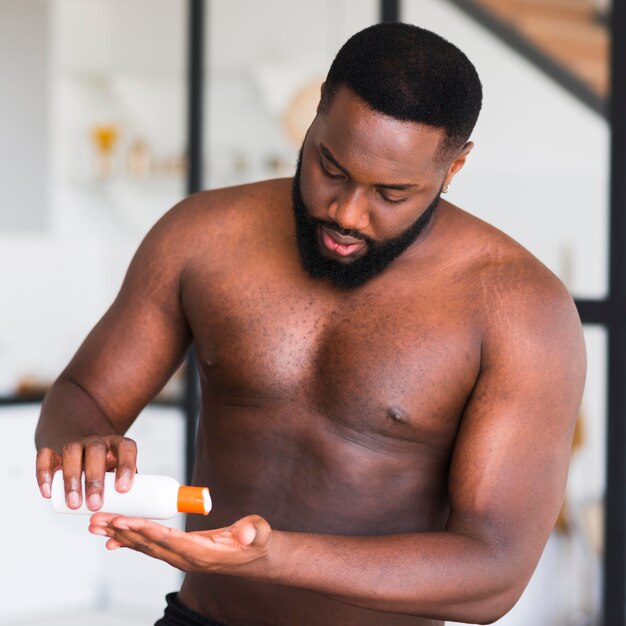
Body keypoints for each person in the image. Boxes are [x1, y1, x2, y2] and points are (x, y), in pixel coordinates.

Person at [35, 22, 586, 626]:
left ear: (454, 167)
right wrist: (83, 442)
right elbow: (82, 394)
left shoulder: (519, 306)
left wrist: (270, 555)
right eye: (332, 167)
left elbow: (492, 573)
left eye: (392, 193)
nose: (347, 213)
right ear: (317, 109)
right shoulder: (200, 235)